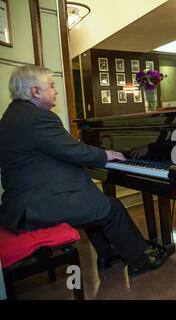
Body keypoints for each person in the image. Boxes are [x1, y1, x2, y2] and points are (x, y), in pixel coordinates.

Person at [0, 66, 167, 277]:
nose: (56, 91)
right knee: (112, 208)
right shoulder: (38, 118)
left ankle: (107, 255)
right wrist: (107, 154)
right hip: (36, 205)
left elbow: (55, 151)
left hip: (22, 202)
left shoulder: (13, 115)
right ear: (35, 91)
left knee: (92, 201)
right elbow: (73, 150)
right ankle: (139, 260)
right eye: (51, 86)